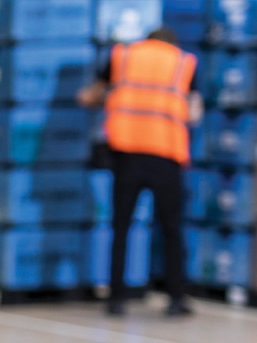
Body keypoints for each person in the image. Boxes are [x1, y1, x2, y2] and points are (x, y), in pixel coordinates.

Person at [81, 27, 201, 318]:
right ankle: (176, 298)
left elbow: (89, 97)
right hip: (165, 153)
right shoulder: (184, 62)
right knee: (172, 228)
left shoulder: (122, 56)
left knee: (120, 226)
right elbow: (194, 113)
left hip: (127, 152)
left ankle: (116, 299)